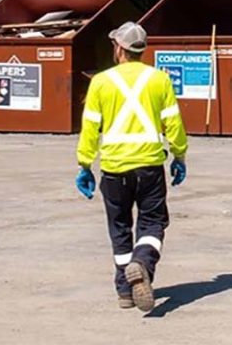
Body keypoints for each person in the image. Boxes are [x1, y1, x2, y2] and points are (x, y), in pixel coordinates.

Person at [75, 21, 188, 311]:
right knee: (152, 223)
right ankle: (142, 263)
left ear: (120, 48)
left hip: (114, 168)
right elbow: (173, 123)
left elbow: (90, 128)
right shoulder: (159, 80)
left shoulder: (101, 81)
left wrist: (85, 164)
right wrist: (179, 156)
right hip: (150, 166)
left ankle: (125, 290)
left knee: (119, 226)